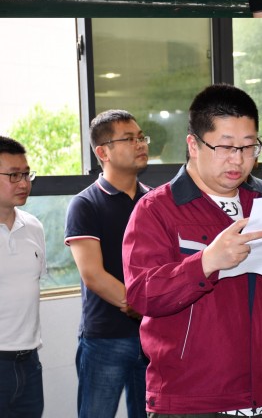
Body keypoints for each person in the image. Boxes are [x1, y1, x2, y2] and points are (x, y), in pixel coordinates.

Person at [122, 84, 262, 416]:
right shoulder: (157, 210)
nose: (239, 159)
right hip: (192, 401)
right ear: (193, 145)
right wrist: (206, 262)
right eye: (226, 146)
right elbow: (142, 295)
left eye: (249, 147)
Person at [64, 110, 150, 418]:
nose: (140, 144)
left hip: (151, 335)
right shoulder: (85, 204)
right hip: (105, 337)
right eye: (129, 139)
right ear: (103, 152)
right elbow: (93, 275)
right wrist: (141, 305)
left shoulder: (153, 201)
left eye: (141, 137)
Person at [0, 136, 45, 418]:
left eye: (27, 174)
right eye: (13, 175)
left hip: (29, 361)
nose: (24, 183)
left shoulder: (34, 227)